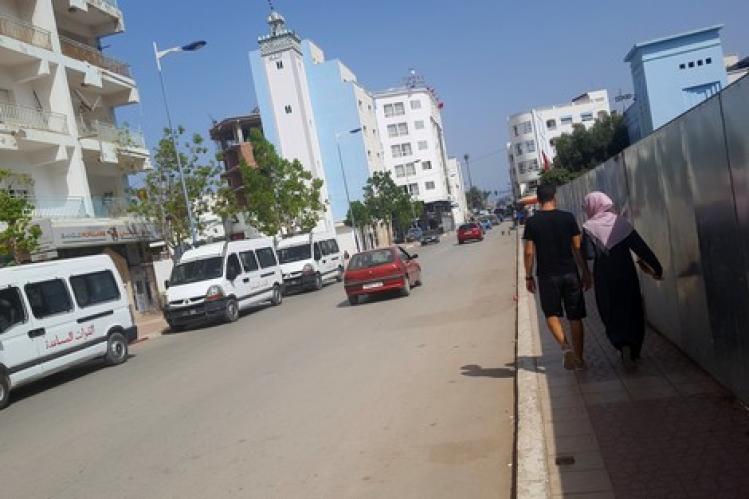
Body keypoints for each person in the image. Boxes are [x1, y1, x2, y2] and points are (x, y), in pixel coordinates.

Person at [581, 192, 662, 368]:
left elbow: (588, 254)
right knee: (632, 306)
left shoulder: (588, 227)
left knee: (609, 309)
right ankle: (634, 348)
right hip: (626, 272)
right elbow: (641, 248)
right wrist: (657, 267)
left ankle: (620, 342)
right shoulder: (621, 223)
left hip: (604, 276)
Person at [523, 184, 592, 369]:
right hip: (570, 273)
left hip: (547, 276)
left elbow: (529, 252)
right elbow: (577, 247)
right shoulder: (568, 217)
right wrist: (586, 272)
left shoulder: (532, 222)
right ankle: (579, 360)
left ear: (538, 200)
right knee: (575, 316)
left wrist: (528, 276)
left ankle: (565, 347)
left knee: (551, 314)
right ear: (554, 197)